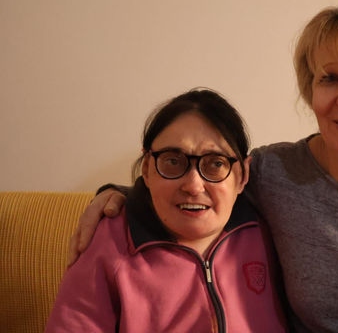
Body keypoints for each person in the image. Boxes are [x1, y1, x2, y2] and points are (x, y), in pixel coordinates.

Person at [70, 0, 338, 332]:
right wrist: (119, 194)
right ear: (311, 90)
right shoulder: (275, 173)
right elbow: (199, 179)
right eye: (330, 78)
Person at [46, 89, 288, 332]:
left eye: (215, 164)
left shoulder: (272, 224)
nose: (193, 186)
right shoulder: (110, 239)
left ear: (243, 175)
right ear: (147, 169)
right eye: (173, 161)